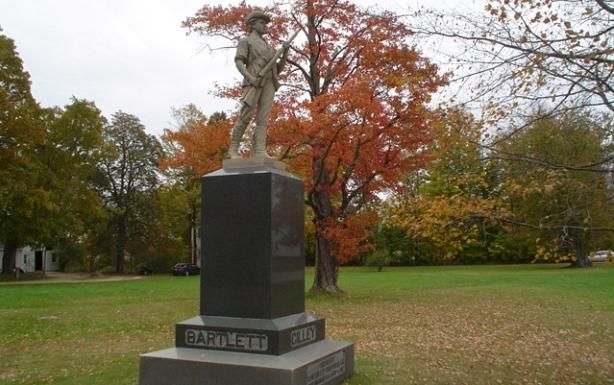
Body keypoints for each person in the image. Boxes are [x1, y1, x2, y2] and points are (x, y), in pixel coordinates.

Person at [227, 10, 290, 159]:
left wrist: (285, 52)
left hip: (269, 82)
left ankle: (259, 151)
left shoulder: (269, 48)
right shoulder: (245, 41)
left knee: (263, 118)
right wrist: (249, 77)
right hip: (253, 80)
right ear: (253, 24)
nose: (265, 26)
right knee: (246, 115)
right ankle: (233, 148)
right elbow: (238, 62)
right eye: (262, 23)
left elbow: (278, 69)